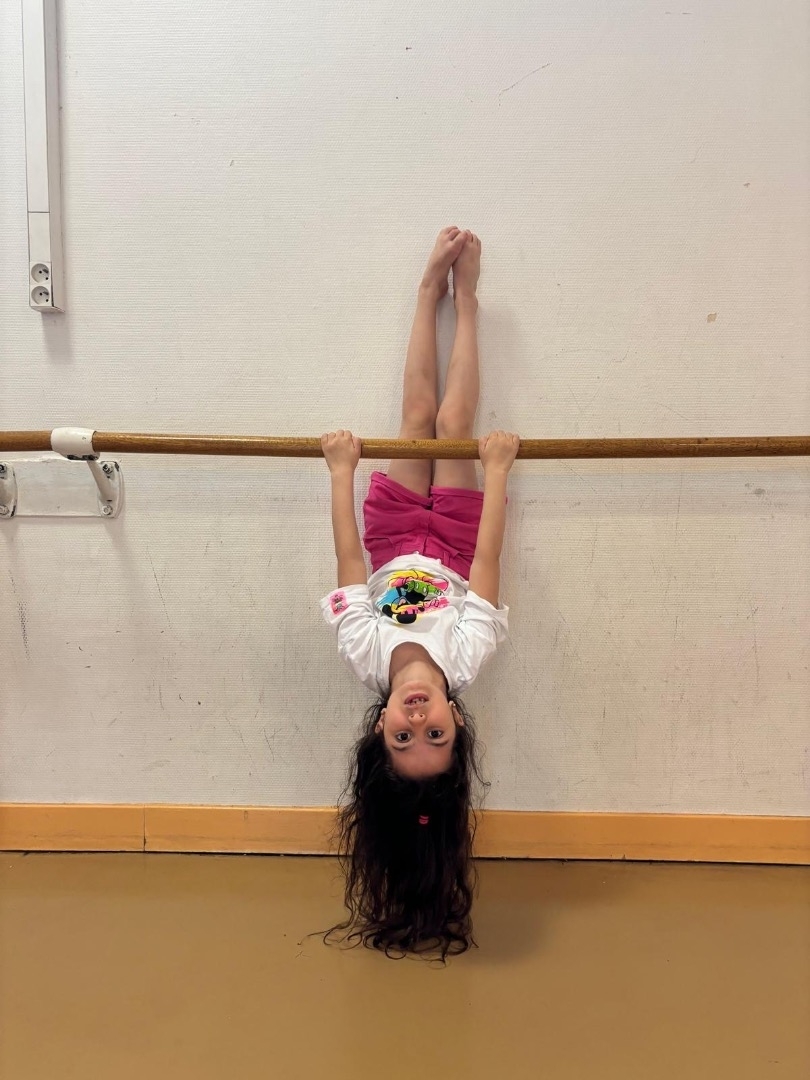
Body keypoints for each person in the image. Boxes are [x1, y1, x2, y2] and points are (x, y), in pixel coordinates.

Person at [319, 227, 520, 958]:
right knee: (454, 426)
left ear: (379, 730)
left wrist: (341, 472)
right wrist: (496, 474)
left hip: (395, 532)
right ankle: (466, 304)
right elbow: (488, 561)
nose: (417, 721)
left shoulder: (364, 652)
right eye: (435, 735)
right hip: (460, 540)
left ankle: (427, 292)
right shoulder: (465, 657)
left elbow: (349, 557)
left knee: (415, 423)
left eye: (403, 738)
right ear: (456, 723)